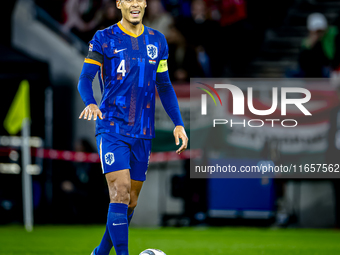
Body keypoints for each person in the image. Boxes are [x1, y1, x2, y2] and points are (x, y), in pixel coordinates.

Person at [77, 0, 188, 254]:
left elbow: (165, 85)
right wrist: (91, 102)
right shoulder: (103, 38)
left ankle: (100, 253)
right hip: (112, 127)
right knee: (120, 191)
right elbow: (85, 78)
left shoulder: (157, 40)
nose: (135, 4)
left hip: (143, 132)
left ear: (145, 4)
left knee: (130, 201)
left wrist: (178, 123)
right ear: (119, 3)